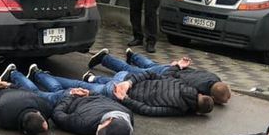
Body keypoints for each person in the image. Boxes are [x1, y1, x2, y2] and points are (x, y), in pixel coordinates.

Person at [4, 63, 134, 135]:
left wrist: (77, 94)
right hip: (73, 98)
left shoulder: (125, 114)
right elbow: (57, 115)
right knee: (38, 94)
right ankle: (15, 74)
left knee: (54, 90)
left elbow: (58, 115)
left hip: (71, 98)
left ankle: (36, 74)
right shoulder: (86, 123)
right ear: (110, 120)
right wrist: (82, 93)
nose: (98, 130)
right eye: (101, 129)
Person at [86, 48, 231, 104]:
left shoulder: (214, 77)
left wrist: (177, 65)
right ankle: (104, 58)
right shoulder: (196, 90)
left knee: (150, 65)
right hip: (166, 75)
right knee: (129, 71)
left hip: (175, 68)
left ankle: (133, 56)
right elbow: (175, 83)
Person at [110, 71, 214, 117]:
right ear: (198, 112)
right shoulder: (180, 109)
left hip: (128, 78)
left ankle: (104, 59)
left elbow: (151, 74)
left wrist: (129, 82)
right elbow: (148, 110)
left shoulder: (182, 83)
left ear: (200, 94)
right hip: (120, 93)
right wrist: (126, 99)